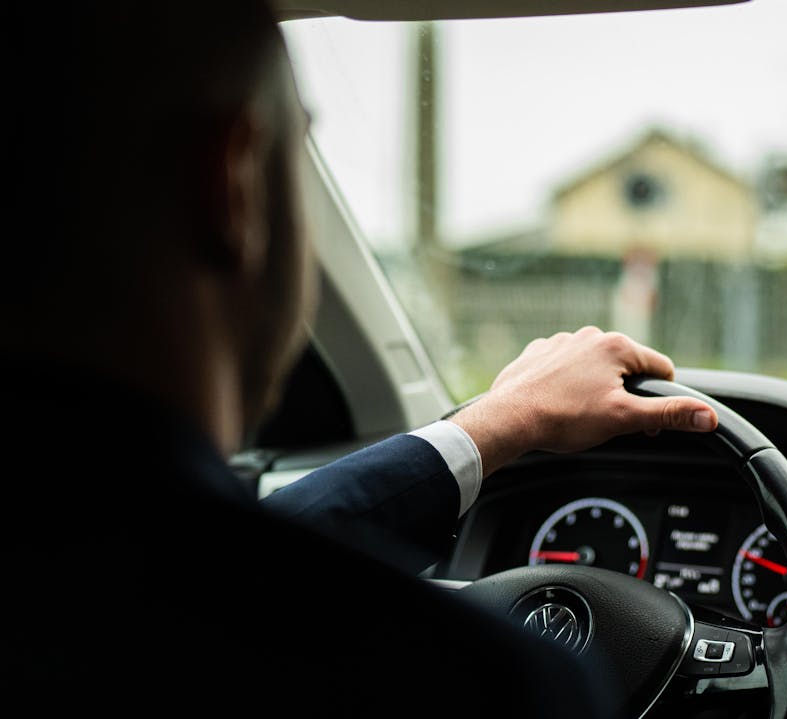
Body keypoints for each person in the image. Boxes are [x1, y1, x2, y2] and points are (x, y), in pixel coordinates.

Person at [3, 2, 717, 714]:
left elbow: (230, 557)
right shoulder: (492, 683)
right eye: (295, 152)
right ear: (233, 183)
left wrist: (501, 420)